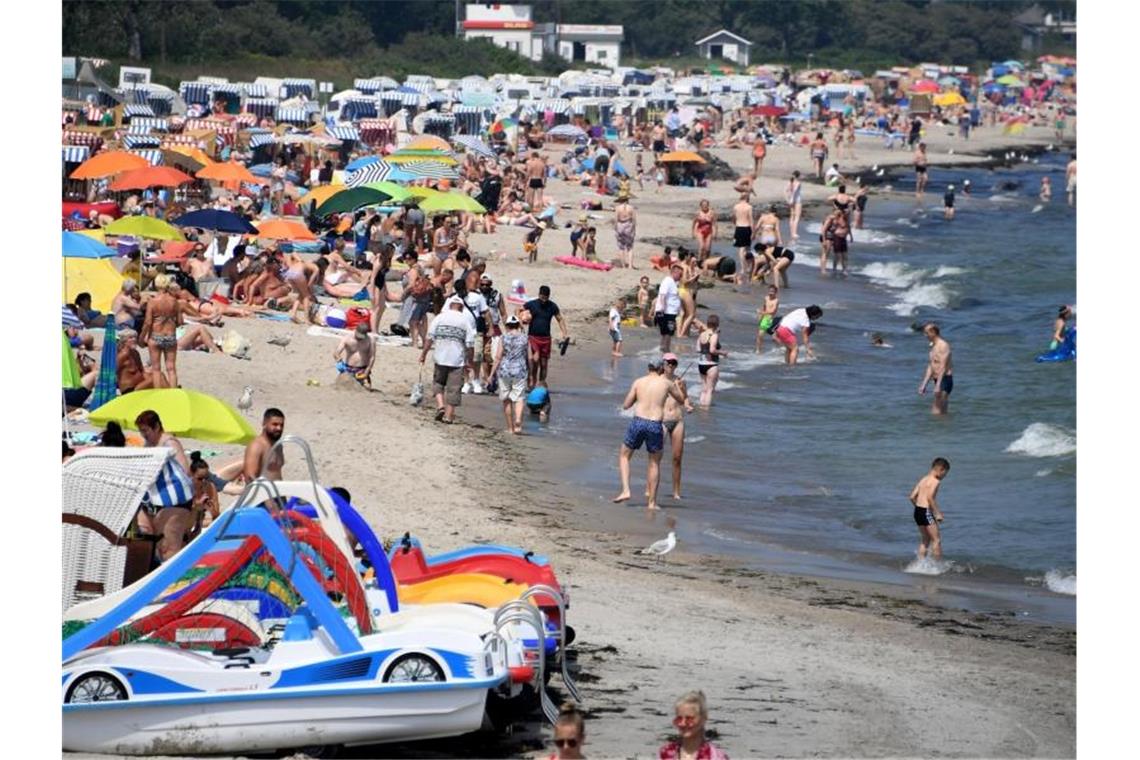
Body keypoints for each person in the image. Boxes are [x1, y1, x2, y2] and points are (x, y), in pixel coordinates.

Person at [612, 358, 687, 511]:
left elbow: (626, 405)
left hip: (638, 421)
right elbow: (681, 399)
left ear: (648, 368)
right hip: (655, 424)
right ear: (661, 369)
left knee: (624, 456)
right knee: (654, 463)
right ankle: (652, 503)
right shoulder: (666, 383)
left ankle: (626, 490)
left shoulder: (638, 382)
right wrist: (678, 386)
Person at [134, 410, 194, 561]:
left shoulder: (170, 442)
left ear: (157, 427)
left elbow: (185, 470)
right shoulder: (148, 444)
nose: (143, 435)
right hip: (153, 499)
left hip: (173, 500)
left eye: (145, 430)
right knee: (148, 545)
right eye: (141, 431)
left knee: (168, 549)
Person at [422, 296, 476, 423]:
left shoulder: (440, 318)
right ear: (461, 307)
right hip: (457, 360)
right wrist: (470, 361)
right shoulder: (465, 320)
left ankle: (441, 406)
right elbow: (470, 344)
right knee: (454, 388)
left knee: (438, 383)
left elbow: (429, 338)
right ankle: (448, 416)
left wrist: (423, 354)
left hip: (440, 357)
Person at [658, 690, 730, 760]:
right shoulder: (665, 753)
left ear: (703, 719)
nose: (683, 724)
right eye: (679, 719)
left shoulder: (715, 756)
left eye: (689, 719)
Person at [140, 273, 183, 389]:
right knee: (171, 368)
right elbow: (180, 322)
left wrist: (141, 337)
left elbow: (148, 322)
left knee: (156, 369)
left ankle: (159, 395)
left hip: (156, 336)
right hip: (170, 336)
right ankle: (173, 394)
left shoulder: (153, 302)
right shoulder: (174, 301)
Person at [522, 285, 569, 389]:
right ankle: (532, 383)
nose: (543, 299)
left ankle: (541, 383)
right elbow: (519, 309)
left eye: (546, 297)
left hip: (546, 339)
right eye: (542, 297)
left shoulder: (552, 306)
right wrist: (522, 320)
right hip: (533, 337)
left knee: (544, 364)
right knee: (535, 361)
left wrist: (564, 333)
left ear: (548, 296)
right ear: (539, 295)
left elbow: (560, 319)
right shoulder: (532, 304)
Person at [661, 353, 693, 500]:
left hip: (678, 420)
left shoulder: (680, 381)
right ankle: (650, 488)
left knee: (677, 458)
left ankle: (676, 492)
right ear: (663, 363)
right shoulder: (658, 381)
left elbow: (685, 400)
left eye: (674, 363)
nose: (671, 366)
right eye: (669, 363)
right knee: (656, 456)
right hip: (661, 420)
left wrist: (688, 406)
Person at [490, 314, 529, 434]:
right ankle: (518, 420)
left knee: (506, 399)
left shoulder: (503, 337)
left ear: (507, 326)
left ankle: (510, 428)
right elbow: (530, 357)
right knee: (519, 398)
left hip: (505, 370)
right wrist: (531, 372)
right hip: (519, 370)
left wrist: (491, 374)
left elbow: (498, 357)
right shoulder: (525, 338)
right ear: (518, 325)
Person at [908, 457, 950, 561]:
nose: (944, 476)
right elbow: (930, 498)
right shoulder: (935, 481)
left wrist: (920, 509)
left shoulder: (923, 479)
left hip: (917, 511)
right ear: (941, 470)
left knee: (925, 540)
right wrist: (937, 513)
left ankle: (920, 564)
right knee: (937, 540)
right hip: (926, 511)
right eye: (945, 474)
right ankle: (937, 566)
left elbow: (912, 497)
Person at [243, 408, 286, 484]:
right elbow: (249, 477)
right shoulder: (256, 446)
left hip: (278, 493)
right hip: (263, 494)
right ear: (264, 423)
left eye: (281, 425)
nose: (279, 428)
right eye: (275, 424)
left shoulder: (278, 445)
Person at [918, 322, 953, 415]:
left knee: (936, 412)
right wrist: (924, 385)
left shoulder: (943, 345)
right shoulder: (933, 346)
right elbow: (931, 366)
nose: (925, 335)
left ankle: (939, 429)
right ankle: (946, 428)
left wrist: (938, 385)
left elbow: (943, 366)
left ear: (933, 332)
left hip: (945, 379)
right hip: (937, 379)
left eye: (926, 333)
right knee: (942, 412)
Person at [694, 315, 727, 407]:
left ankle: (701, 406)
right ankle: (706, 410)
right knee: (710, 390)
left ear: (707, 323)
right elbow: (712, 350)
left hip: (701, 364)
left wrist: (705, 350)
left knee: (704, 388)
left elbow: (697, 349)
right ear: (717, 324)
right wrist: (723, 353)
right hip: (711, 364)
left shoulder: (702, 334)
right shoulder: (714, 335)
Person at [188, 452, 220, 535]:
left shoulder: (209, 487)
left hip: (201, 522)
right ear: (191, 474)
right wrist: (197, 506)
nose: (203, 481)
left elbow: (216, 516)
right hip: (187, 523)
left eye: (206, 478)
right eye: (200, 478)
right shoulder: (186, 489)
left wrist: (211, 508)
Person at [334, 323, 375, 388]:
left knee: (366, 389)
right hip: (348, 369)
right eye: (358, 336)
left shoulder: (370, 340)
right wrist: (339, 362)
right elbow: (336, 353)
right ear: (355, 330)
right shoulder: (347, 338)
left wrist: (367, 371)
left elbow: (372, 357)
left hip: (362, 369)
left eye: (361, 337)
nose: (359, 339)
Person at [655, 264, 683, 353]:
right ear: (674, 273)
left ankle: (663, 348)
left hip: (671, 312)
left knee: (667, 332)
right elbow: (663, 295)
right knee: (668, 332)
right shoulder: (668, 281)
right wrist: (662, 308)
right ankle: (666, 350)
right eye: (680, 275)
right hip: (667, 312)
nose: (681, 277)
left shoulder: (674, 283)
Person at [820, 208, 852, 275]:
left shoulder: (838, 219)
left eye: (839, 213)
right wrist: (824, 240)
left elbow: (845, 227)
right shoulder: (830, 219)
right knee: (826, 253)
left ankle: (835, 268)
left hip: (833, 236)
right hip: (827, 236)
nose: (837, 214)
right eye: (836, 213)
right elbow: (824, 230)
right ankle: (823, 270)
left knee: (836, 254)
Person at [731, 193, 754, 286]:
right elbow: (751, 220)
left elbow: (733, 218)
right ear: (747, 198)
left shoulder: (736, 206)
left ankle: (745, 267)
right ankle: (745, 267)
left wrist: (736, 224)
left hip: (739, 227)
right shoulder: (749, 207)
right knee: (745, 248)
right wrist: (753, 231)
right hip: (746, 227)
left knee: (743, 248)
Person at [613, 192, 637, 269]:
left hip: (620, 225)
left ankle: (623, 265)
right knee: (630, 247)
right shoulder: (631, 208)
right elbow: (634, 220)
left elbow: (616, 219)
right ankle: (630, 265)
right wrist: (633, 229)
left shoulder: (617, 208)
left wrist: (615, 228)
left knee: (621, 247)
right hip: (628, 226)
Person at [756, 286, 780, 353]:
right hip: (764, 318)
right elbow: (764, 307)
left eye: (772, 292)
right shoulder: (766, 298)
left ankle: (781, 347)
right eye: (769, 291)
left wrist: (761, 312)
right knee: (760, 335)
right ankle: (758, 350)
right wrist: (760, 315)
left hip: (770, 319)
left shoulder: (776, 301)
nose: (770, 293)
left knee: (773, 337)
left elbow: (773, 311)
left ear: (776, 293)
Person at [785, 171, 803, 240]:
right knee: (797, 217)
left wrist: (788, 199)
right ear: (798, 176)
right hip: (797, 201)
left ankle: (791, 233)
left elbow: (786, 191)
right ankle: (794, 233)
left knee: (792, 216)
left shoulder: (790, 182)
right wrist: (792, 199)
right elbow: (795, 191)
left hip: (791, 201)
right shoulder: (798, 183)